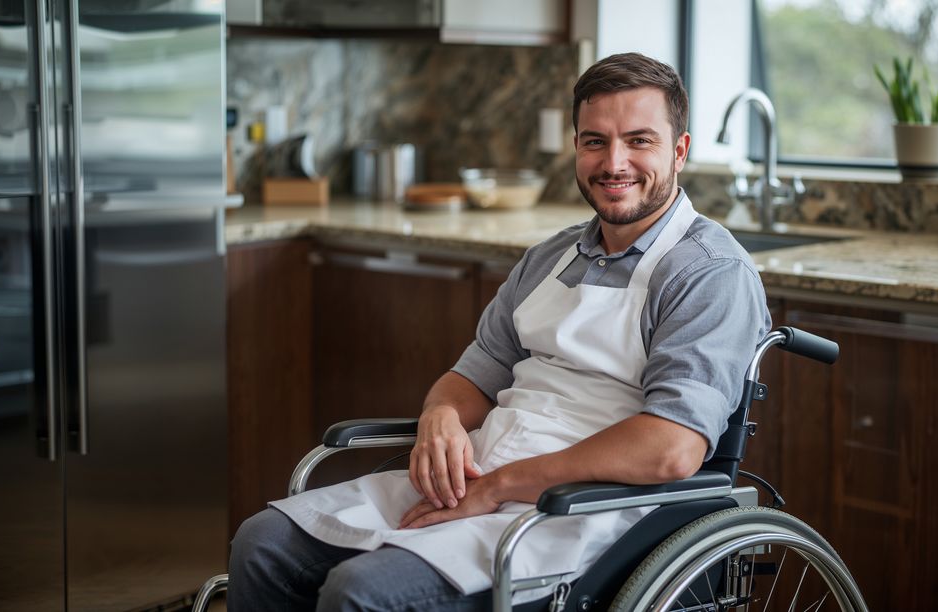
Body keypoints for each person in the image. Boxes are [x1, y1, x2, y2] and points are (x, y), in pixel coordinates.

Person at [228, 52, 771, 611]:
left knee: (363, 591)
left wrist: (499, 487)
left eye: (639, 141)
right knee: (262, 545)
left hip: (592, 511)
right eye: (594, 141)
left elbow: (671, 449)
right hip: (483, 475)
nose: (614, 163)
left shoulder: (709, 273)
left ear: (679, 151)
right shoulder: (550, 258)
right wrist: (439, 416)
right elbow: (475, 375)